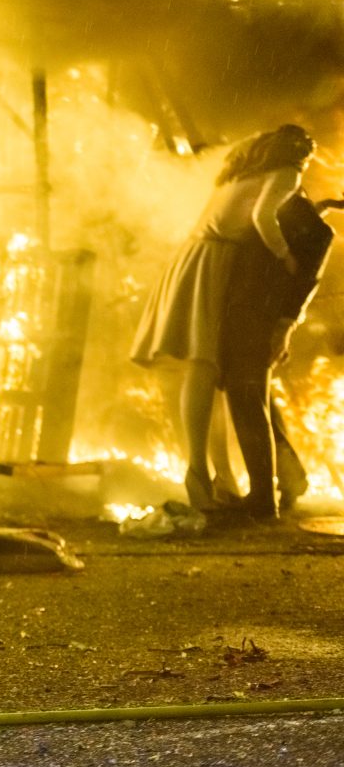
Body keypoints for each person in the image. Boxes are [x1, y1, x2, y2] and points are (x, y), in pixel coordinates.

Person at [131, 124, 315, 511]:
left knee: (210, 372)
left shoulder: (240, 172)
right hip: (213, 262)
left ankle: (219, 478)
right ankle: (200, 478)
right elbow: (266, 217)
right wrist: (286, 255)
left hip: (194, 255)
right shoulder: (287, 171)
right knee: (205, 365)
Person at [217, 186, 338, 519]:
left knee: (248, 395)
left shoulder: (314, 228)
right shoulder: (294, 209)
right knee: (253, 396)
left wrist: (284, 328)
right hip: (249, 312)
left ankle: (262, 499)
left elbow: (305, 282)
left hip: (258, 316)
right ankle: (289, 476)